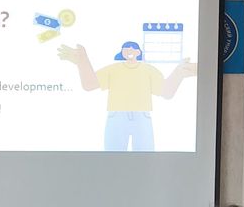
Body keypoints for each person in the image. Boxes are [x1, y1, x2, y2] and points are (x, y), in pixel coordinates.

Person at [58, 40, 196, 151]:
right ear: (122, 52)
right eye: (126, 48)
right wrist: (82, 61)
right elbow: (90, 84)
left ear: (139, 52)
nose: (130, 50)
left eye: (133, 48)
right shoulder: (113, 69)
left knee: (145, 159)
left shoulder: (148, 70)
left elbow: (166, 92)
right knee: (113, 159)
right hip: (116, 116)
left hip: (142, 116)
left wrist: (179, 73)